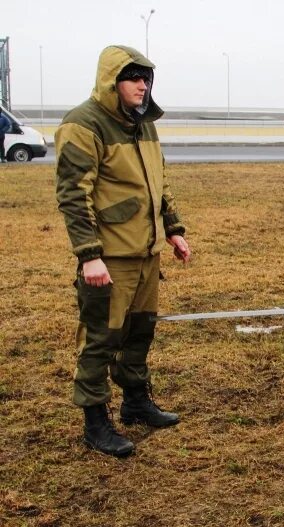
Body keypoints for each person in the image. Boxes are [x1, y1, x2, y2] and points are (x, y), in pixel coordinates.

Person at [55, 45, 191, 457]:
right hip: (110, 256)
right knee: (101, 337)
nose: (142, 85)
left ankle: (135, 402)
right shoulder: (83, 124)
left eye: (145, 78)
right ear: (111, 80)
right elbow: (73, 195)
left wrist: (173, 229)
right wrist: (89, 255)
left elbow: (159, 181)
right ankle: (95, 422)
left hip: (146, 252)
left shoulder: (143, 124)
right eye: (133, 77)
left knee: (140, 331)